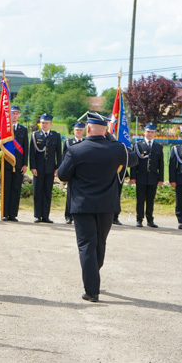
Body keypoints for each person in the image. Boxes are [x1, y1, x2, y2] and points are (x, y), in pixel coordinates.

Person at [57, 112, 138, 302]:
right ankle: (93, 275)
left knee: (87, 246)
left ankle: (92, 290)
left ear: (88, 128)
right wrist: (112, 140)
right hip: (106, 206)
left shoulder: (76, 150)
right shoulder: (116, 149)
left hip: (83, 205)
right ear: (106, 131)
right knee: (100, 243)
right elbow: (133, 159)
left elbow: (62, 175)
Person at [129, 124, 165, 228]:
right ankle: (139, 219)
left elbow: (161, 164)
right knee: (140, 199)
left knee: (150, 199)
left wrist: (161, 178)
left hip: (153, 177)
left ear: (155, 133)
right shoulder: (138, 145)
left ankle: (150, 219)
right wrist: (133, 177)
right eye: (148, 132)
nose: (150, 134)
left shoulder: (158, 146)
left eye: (152, 132)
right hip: (141, 176)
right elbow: (134, 162)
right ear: (144, 132)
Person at [29, 113, 62, 223]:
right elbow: (32, 153)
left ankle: (46, 216)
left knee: (47, 192)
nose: (44, 125)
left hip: (50, 169)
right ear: (40, 123)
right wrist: (32, 167)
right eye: (43, 123)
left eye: (46, 123)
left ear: (50, 124)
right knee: (37, 192)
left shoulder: (56, 136)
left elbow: (59, 154)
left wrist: (58, 168)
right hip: (38, 169)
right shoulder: (35, 135)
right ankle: (37, 215)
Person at [2, 105, 27, 222]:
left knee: (16, 189)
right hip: (7, 163)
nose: (14, 115)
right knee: (6, 188)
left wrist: (25, 164)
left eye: (16, 113)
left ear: (19, 115)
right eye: (12, 113)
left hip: (18, 164)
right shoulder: (5, 129)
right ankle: (5, 213)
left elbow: (25, 148)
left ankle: (13, 214)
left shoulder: (23, 129)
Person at [63, 122, 84, 224]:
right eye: (76, 130)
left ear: (83, 131)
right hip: (72, 172)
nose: (78, 132)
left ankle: (78, 215)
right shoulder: (68, 142)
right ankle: (68, 215)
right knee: (70, 195)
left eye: (80, 130)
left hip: (82, 173)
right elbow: (64, 159)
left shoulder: (86, 142)